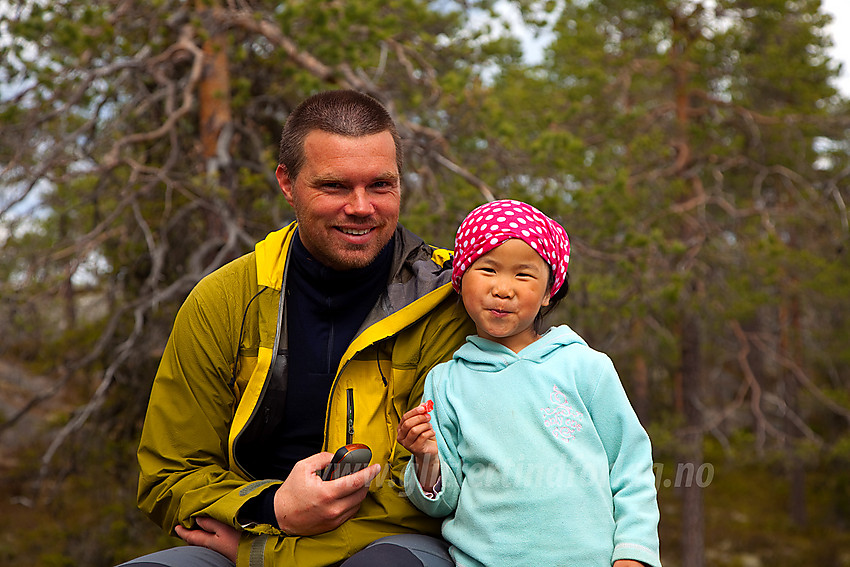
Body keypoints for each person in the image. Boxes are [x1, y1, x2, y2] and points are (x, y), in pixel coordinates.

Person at [120, 90, 474, 567]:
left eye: (381, 185)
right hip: (254, 525)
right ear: (287, 184)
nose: (361, 206)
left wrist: (267, 554)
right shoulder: (223, 300)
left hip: (392, 542)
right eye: (334, 186)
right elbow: (170, 476)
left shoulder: (453, 301)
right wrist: (271, 509)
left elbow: (453, 481)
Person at [396, 200, 662, 567]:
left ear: (549, 291)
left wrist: (634, 555)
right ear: (460, 278)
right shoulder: (446, 383)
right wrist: (426, 457)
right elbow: (442, 502)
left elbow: (631, 468)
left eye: (523, 275)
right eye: (487, 269)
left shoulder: (585, 367)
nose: (503, 289)